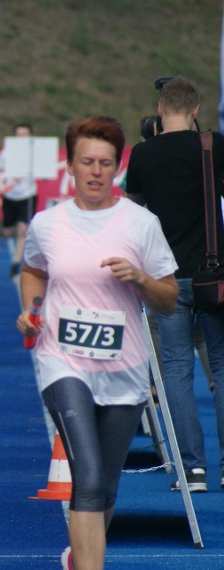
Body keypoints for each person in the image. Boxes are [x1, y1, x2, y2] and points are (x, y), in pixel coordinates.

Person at [17, 116, 177, 570]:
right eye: (86, 162)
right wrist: (32, 310)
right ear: (69, 166)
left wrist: (141, 278)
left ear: (117, 167)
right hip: (62, 360)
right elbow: (33, 268)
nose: (95, 171)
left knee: (106, 485)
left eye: (105, 163)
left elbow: (168, 301)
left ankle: (80, 556)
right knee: (85, 478)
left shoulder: (140, 224)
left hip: (124, 368)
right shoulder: (48, 224)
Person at [125, 75, 224, 493]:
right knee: (220, 368)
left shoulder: (143, 155)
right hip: (214, 273)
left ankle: (193, 469)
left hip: (167, 278)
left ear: (161, 111)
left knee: (177, 374)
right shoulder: (214, 146)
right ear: (197, 110)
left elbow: (134, 215)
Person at [0, 122, 37, 277]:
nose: (22, 139)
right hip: (10, 196)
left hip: (27, 195)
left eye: (25, 135)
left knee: (23, 230)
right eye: (19, 136)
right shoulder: (6, 153)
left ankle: (16, 262)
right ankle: (12, 252)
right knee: (8, 230)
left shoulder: (35, 153)